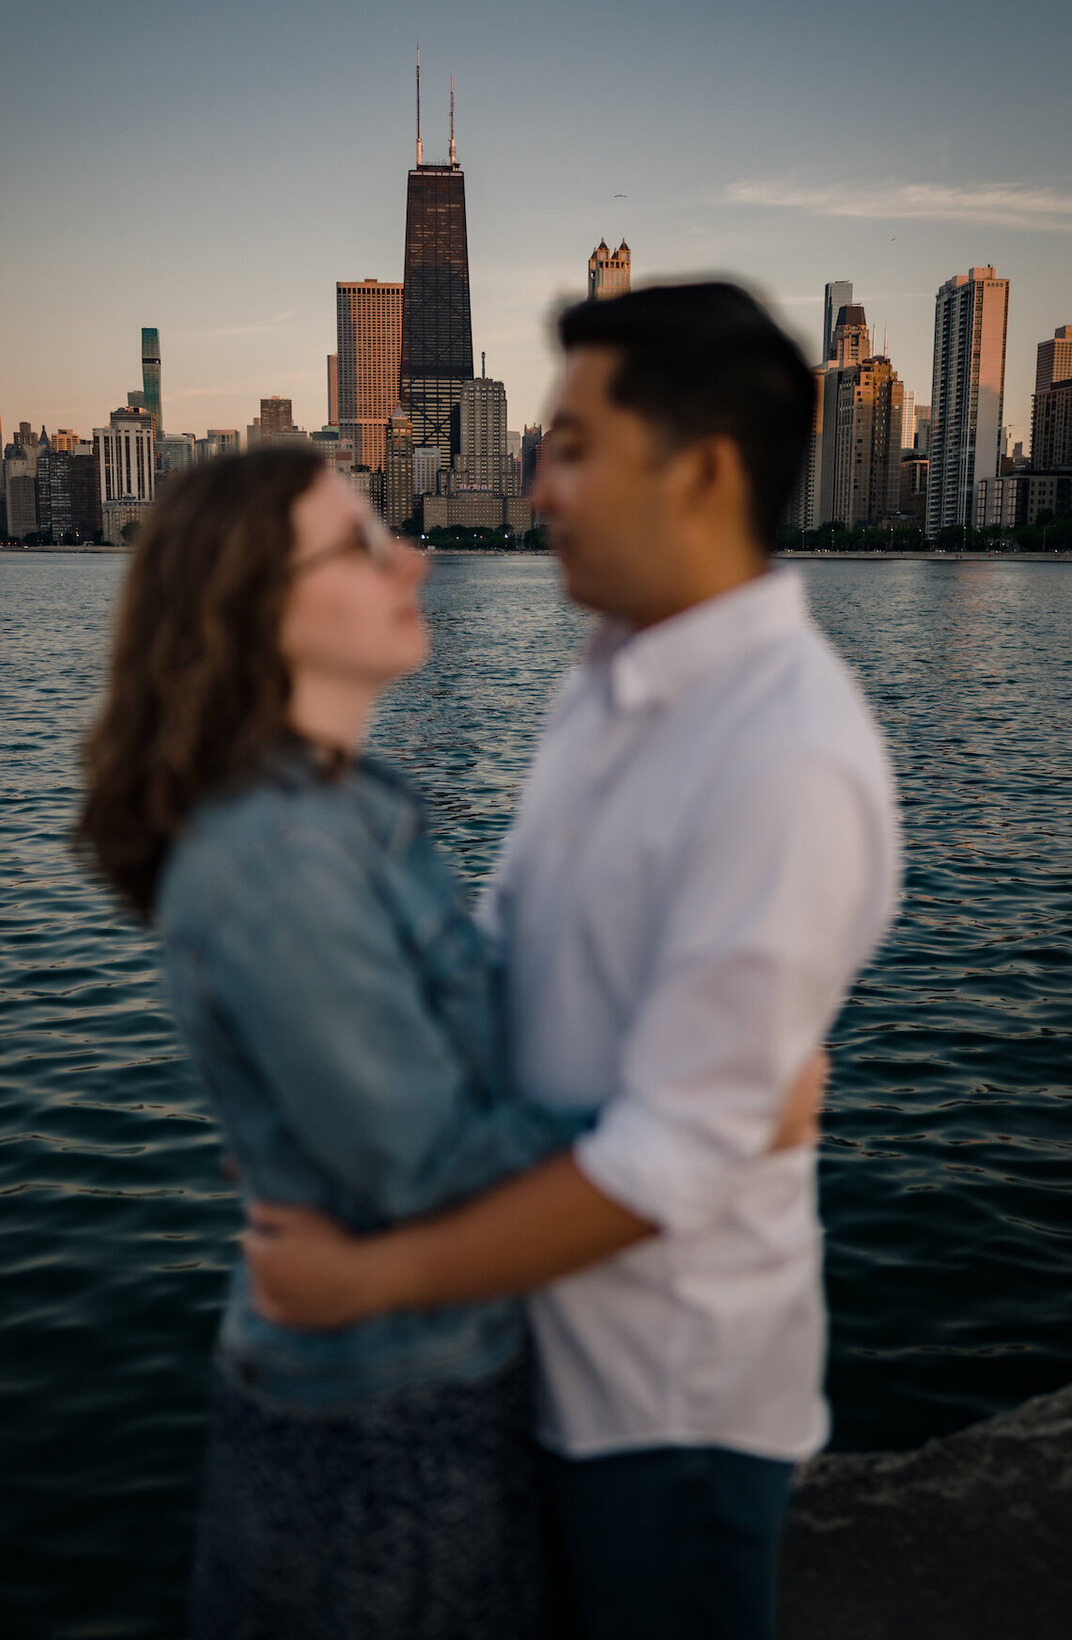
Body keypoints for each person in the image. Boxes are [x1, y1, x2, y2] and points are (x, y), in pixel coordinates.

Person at [242, 283, 902, 1640]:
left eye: (579, 449)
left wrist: (376, 1281)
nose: (540, 489)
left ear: (707, 471)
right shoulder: (607, 680)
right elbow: (509, 962)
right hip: (530, 1350)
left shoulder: (786, 759)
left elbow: (673, 1160)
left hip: (664, 1409)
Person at [77, 448, 590, 1640]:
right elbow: (427, 1166)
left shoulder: (348, 808)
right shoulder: (277, 858)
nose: (412, 556)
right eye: (362, 542)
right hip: (383, 1436)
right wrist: (697, 1117)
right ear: (258, 604)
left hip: (436, 1379)